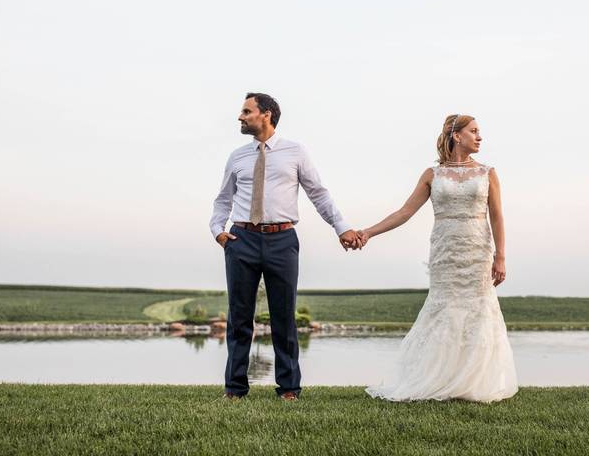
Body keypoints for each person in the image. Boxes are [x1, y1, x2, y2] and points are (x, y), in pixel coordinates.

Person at [210, 92, 361, 401]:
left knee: (284, 316)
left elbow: (318, 193)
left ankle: (289, 388)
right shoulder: (237, 156)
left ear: (266, 114)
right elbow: (223, 199)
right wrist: (218, 232)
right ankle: (235, 389)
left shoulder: (295, 152)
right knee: (239, 316)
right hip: (242, 240)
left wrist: (341, 228)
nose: (240, 117)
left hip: (282, 240)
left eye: (246, 111)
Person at [360, 114, 518, 402]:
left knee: (478, 312)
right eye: (474, 131)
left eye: (479, 132)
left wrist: (501, 257)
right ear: (457, 136)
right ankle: (438, 379)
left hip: (476, 251)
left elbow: (497, 216)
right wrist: (369, 232)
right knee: (443, 310)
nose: (479, 137)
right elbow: (404, 212)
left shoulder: (487, 173)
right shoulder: (433, 175)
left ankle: (473, 382)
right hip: (445, 251)